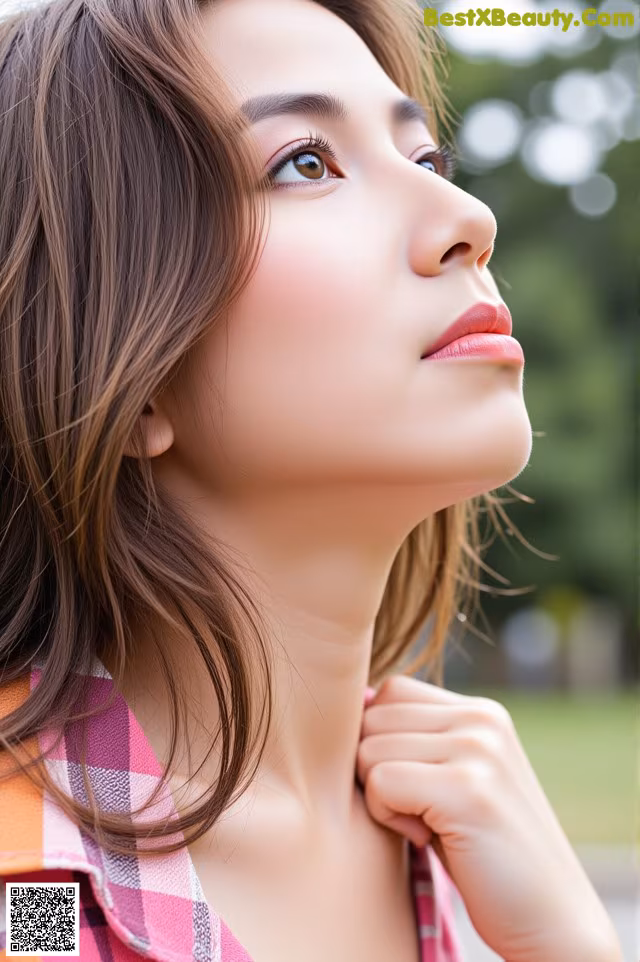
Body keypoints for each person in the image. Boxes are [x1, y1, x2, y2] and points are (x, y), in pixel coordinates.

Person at [0, 0, 623, 959]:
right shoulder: (28, 896)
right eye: (306, 163)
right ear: (124, 367)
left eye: (427, 163)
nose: (468, 219)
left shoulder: (471, 848)